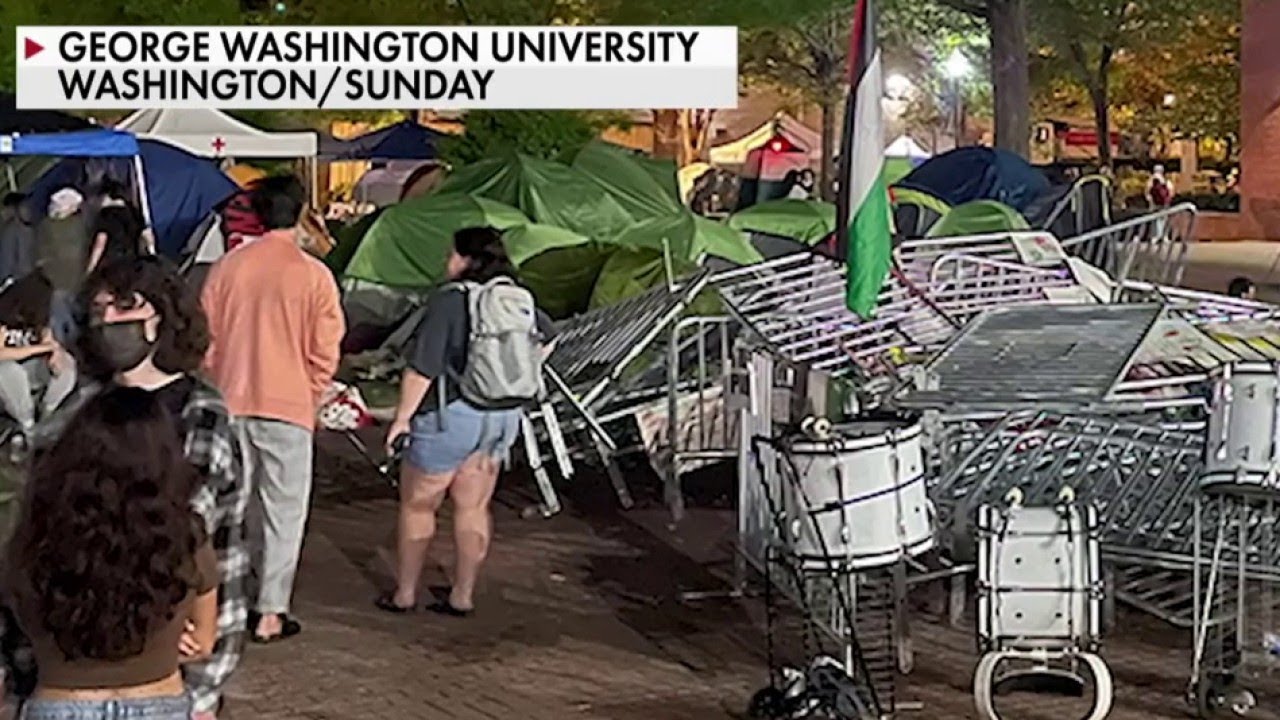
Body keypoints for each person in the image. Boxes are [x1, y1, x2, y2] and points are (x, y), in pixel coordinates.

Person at [10, 256, 249, 720]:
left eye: (124, 308)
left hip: (173, 671)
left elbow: (186, 539)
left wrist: (199, 684)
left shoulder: (201, 415)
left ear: (164, 316)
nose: (109, 322)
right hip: (65, 670)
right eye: (99, 312)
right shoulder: (78, 405)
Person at [5, 386, 218, 720]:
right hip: (159, 700)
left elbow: (16, 615)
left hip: (60, 701)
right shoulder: (184, 534)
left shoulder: (36, 534)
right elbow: (204, 642)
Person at [379, 227, 552, 616]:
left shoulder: (450, 301)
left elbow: (422, 367)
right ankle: (463, 595)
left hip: (449, 415)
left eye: (452, 254)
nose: (447, 262)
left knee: (418, 506)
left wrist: (401, 419)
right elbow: (548, 337)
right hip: (501, 417)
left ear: (467, 259)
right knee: (473, 508)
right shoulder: (517, 297)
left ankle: (405, 593)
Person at [201, 174, 344, 644]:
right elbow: (326, 349)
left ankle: (226, 599)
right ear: (301, 210)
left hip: (231, 399)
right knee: (284, 511)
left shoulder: (227, 268)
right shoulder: (314, 275)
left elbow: (204, 340)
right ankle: (270, 610)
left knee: (233, 507)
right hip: (289, 404)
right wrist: (314, 393)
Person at [0, 272, 75, 445]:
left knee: (67, 365)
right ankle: (28, 426)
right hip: (7, 383)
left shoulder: (39, 318)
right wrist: (39, 348)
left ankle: (47, 416)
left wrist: (56, 354)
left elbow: (50, 342)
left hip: (32, 374)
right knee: (8, 370)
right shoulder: (4, 314)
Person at [85, 204, 145, 273]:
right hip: (132, 264)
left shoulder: (106, 215)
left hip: (111, 266)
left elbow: (100, 243)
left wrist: (90, 269)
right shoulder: (134, 213)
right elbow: (144, 238)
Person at [0, 193, 37, 283]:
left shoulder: (30, 229)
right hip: (20, 283)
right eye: (23, 206)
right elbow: (7, 263)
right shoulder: (12, 231)